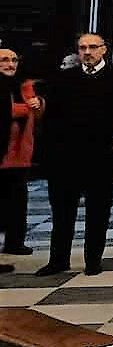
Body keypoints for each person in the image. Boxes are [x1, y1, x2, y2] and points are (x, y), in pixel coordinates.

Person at [37, 33, 113, 275]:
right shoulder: (64, 79)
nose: (87, 52)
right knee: (62, 212)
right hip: (66, 157)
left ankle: (93, 259)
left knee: (98, 211)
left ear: (104, 50)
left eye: (93, 47)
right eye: (83, 47)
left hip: (103, 156)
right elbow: (51, 118)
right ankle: (58, 259)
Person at [0, 49, 42, 261]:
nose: (10, 64)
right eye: (5, 60)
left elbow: (37, 110)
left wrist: (39, 103)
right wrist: (28, 107)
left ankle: (15, 242)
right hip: (3, 152)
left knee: (18, 200)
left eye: (14, 60)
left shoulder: (25, 84)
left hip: (20, 153)